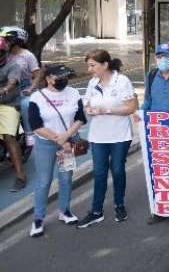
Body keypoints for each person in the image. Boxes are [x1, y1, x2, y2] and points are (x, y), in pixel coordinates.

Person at [77, 50, 138, 228]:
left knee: (117, 170)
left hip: (120, 135)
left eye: (92, 65)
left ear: (104, 65)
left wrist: (107, 111)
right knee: (99, 173)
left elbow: (132, 107)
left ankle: (119, 205)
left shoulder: (122, 81)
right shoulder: (92, 82)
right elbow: (87, 103)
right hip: (98, 136)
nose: (89, 69)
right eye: (88, 65)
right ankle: (96, 211)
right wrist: (90, 109)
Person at [28, 65, 87, 237]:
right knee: (43, 181)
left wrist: (66, 138)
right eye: (59, 77)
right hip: (46, 144)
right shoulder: (37, 97)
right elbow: (36, 125)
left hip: (67, 143)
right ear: (48, 78)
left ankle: (65, 211)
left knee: (66, 178)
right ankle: (38, 219)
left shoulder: (73, 93)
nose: (63, 80)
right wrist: (58, 139)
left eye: (65, 76)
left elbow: (80, 118)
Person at [3, 28, 40, 144]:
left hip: (25, 86)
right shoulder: (5, 54)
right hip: (9, 87)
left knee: (25, 104)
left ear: (16, 41)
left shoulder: (27, 55)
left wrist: (32, 87)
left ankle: (29, 133)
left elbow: (37, 74)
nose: (5, 43)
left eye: (7, 40)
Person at [0, 36, 26, 192]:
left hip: (8, 103)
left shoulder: (14, 65)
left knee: (8, 137)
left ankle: (21, 176)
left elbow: (12, 82)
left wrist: (5, 89)